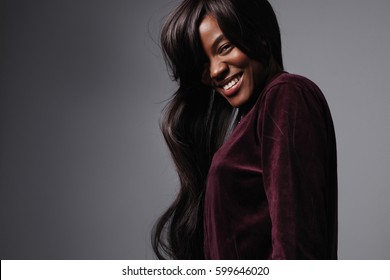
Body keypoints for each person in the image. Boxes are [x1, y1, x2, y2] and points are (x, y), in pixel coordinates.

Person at [152, 0, 337, 260]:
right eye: (204, 63)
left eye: (224, 47)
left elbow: (297, 250)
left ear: (258, 34)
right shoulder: (246, 121)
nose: (215, 71)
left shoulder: (287, 95)